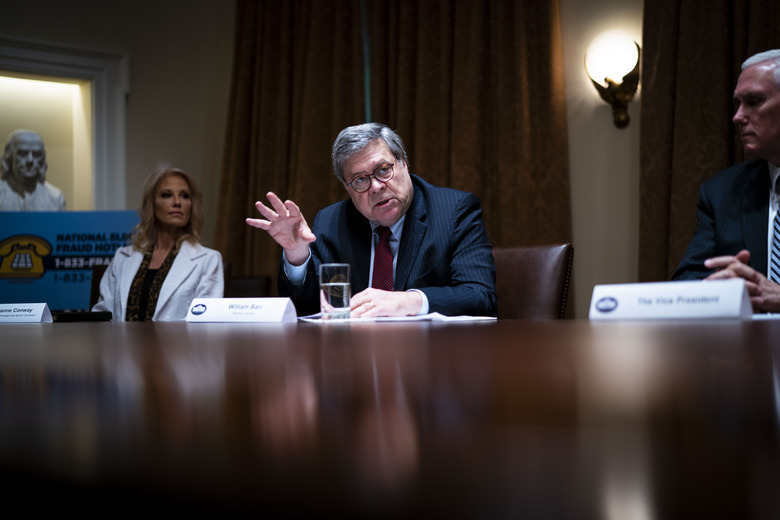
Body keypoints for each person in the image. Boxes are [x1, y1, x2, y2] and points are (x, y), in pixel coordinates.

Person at [246, 122, 497, 318]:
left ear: (403, 164)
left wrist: (409, 300)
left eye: (383, 170)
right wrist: (297, 254)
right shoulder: (332, 221)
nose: (376, 187)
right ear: (348, 188)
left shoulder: (454, 210)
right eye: (360, 180)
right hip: (353, 364)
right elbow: (308, 308)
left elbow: (481, 295)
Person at [672, 49, 780, 313]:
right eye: (738, 103)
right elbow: (686, 283)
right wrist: (721, 290)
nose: (737, 117)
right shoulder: (721, 192)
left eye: (754, 101)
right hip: (746, 351)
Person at [93, 167, 223, 321]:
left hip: (178, 345)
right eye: (167, 195)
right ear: (152, 204)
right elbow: (102, 316)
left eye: (184, 196)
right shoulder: (123, 256)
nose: (177, 202)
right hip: (120, 344)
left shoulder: (208, 260)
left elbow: (205, 322)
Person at [0, 129, 66, 211]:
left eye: (36, 154)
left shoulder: (55, 198)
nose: (30, 160)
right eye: (23, 153)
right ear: (10, 157)